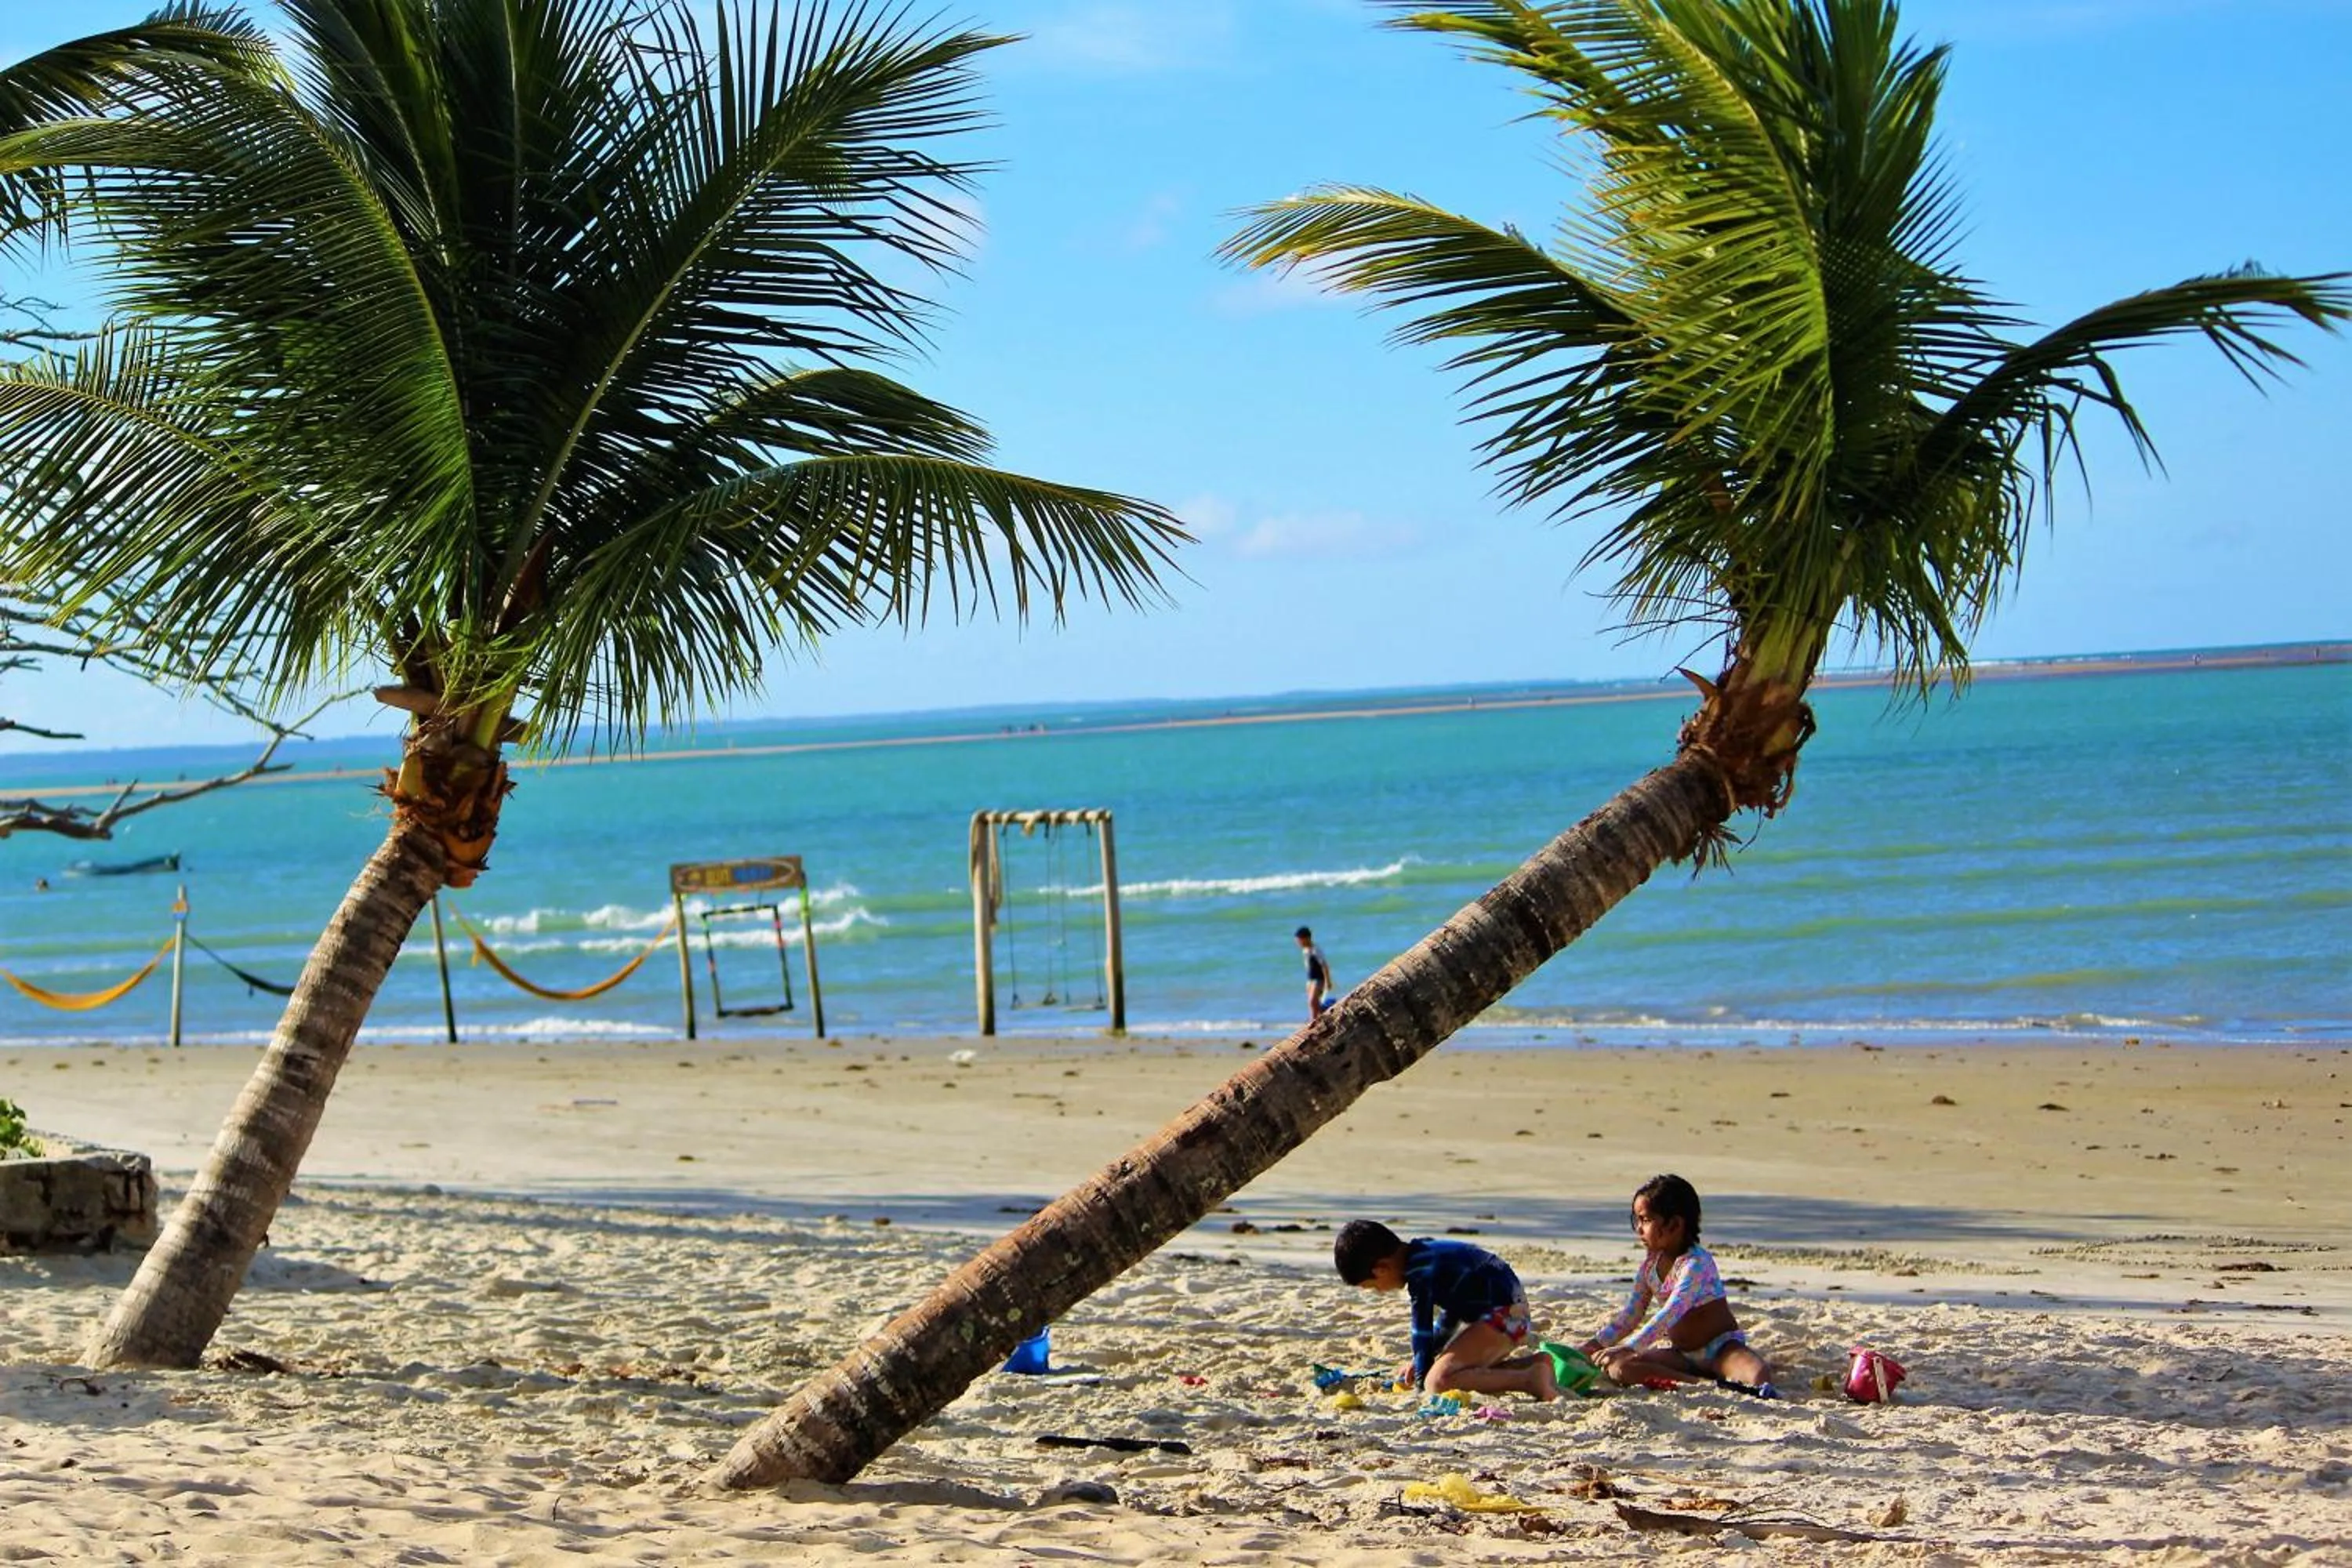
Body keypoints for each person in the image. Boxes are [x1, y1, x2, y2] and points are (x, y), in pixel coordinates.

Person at [1581, 1173, 1776, 1396]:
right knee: (1620, 1368)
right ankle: (1697, 1383)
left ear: (1674, 1225)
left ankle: (1714, 1379)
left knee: (1758, 1376)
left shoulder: (1696, 1264)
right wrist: (1594, 1345)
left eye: (1645, 1220)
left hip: (1720, 1350)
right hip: (1682, 1355)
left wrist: (1630, 1347)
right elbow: (1630, 1316)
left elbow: (1671, 1311)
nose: (1639, 1229)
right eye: (1637, 1220)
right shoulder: (1649, 1268)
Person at [1333, 1220, 1560, 1401]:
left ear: (1381, 1269)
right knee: (1458, 1371)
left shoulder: (1420, 1270)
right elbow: (1451, 1315)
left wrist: (1422, 1378)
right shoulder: (1426, 1253)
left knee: (1438, 1382)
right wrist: (1427, 1358)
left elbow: (1420, 1330)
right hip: (1510, 1315)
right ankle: (1533, 1365)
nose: (1380, 1292)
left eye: (1373, 1288)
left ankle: (1529, 1379)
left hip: (1505, 1317)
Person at [1294, 925, 1334, 1018]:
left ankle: (1313, 1021)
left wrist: (1328, 981)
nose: (1298, 943)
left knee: (1312, 1001)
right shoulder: (1305, 950)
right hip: (1311, 980)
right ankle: (1323, 1015)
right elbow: (1308, 967)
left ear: (1306, 938)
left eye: (1299, 940)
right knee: (1315, 1003)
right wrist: (1308, 982)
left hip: (1319, 979)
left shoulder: (1315, 950)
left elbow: (1324, 965)